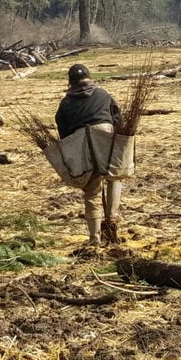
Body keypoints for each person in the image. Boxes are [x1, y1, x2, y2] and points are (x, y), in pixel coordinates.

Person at [55, 63, 123, 245]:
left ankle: (95, 238)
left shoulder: (66, 103)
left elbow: (64, 133)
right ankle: (112, 218)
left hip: (81, 142)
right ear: (89, 77)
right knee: (114, 177)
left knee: (91, 190)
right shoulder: (103, 94)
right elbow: (117, 118)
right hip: (105, 137)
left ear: (70, 82)